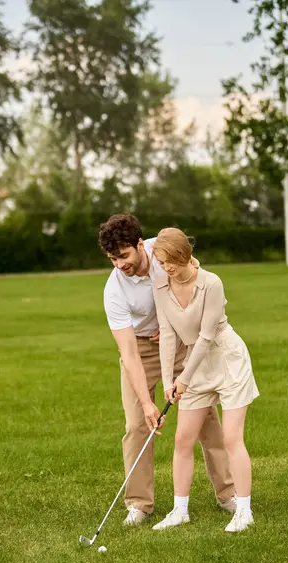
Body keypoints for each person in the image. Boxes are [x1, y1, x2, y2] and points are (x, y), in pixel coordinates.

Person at [98, 214, 236, 526]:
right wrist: (148, 405)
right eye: (112, 259)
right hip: (141, 348)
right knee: (136, 425)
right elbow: (128, 353)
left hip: (181, 342)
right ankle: (139, 504)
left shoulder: (164, 253)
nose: (119, 264)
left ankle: (228, 493)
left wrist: (175, 320)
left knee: (205, 417)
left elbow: (196, 281)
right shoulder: (114, 291)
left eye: (123, 256)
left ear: (139, 245)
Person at [151, 227, 259, 533]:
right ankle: (179, 510)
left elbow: (207, 336)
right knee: (183, 439)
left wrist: (183, 378)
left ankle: (244, 511)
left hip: (227, 359)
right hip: (193, 367)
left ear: (184, 254)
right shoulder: (160, 286)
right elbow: (168, 333)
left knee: (230, 438)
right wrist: (170, 379)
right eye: (161, 262)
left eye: (171, 260)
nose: (167, 267)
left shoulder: (211, 283)